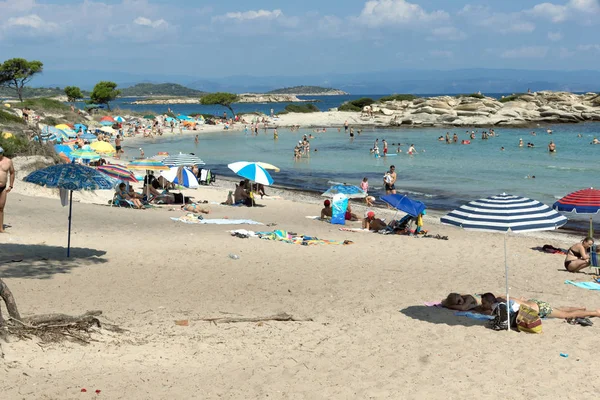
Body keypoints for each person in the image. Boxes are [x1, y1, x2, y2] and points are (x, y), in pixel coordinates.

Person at [481, 293, 600, 320]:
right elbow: (521, 299)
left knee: (564, 315)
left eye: (484, 303)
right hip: (533, 302)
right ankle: (580, 308)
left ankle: (595, 312)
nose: (483, 305)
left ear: (488, 301)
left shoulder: (496, 306)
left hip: (538, 308)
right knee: (558, 309)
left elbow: (488, 314)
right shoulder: (503, 297)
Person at [0, 147, 15, 233]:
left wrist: (11, 185)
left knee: (1, 208)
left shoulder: (8, 161)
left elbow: (12, 172)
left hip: (3, 188)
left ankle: (1, 228)